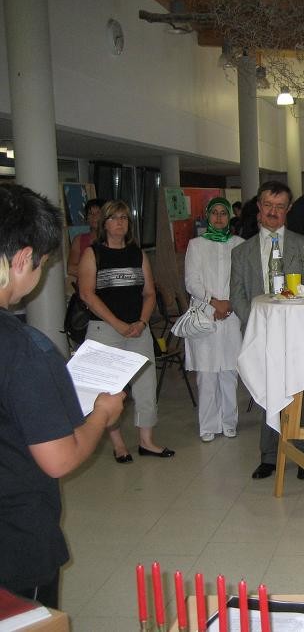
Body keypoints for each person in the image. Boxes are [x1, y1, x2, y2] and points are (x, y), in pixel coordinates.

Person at [0, 184, 124, 609]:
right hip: (13, 540)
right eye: (42, 263)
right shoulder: (24, 350)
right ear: (22, 259)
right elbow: (59, 458)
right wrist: (102, 414)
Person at [79, 200, 174, 462]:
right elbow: (87, 294)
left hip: (137, 328)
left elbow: (149, 293)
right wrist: (117, 323)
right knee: (109, 389)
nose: (120, 223)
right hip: (104, 328)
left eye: (124, 218)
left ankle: (146, 441)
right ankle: (118, 444)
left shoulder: (137, 254)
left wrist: (142, 322)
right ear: (104, 223)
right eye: (114, 218)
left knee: (146, 385)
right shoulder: (93, 254)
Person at [230, 181, 304, 480]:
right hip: (260, 333)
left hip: (299, 332)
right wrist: (256, 323)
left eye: (280, 206)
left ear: (288, 210)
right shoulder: (242, 251)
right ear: (259, 208)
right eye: (268, 205)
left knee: (303, 390)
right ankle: (269, 455)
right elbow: (237, 294)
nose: (273, 211)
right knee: (268, 390)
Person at [184, 198, 244, 442]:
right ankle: (208, 424)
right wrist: (214, 302)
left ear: (229, 217)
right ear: (207, 216)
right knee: (206, 373)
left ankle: (229, 421)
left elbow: (241, 279)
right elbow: (191, 281)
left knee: (229, 371)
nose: (219, 217)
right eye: (214, 213)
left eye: (223, 213)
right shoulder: (196, 245)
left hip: (231, 314)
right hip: (204, 313)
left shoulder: (238, 244)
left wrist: (228, 303)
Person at [66, 198, 102, 282]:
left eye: (98, 213)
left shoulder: (113, 239)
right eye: (90, 213)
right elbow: (71, 269)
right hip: (84, 286)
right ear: (86, 217)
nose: (94, 216)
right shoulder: (79, 239)